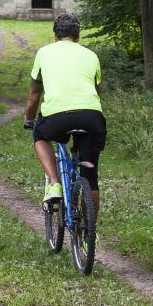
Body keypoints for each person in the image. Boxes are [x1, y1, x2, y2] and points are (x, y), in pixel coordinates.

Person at [24, 12, 106, 217]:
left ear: (55, 35)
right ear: (78, 35)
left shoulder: (44, 53)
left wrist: (29, 120)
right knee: (90, 176)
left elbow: (34, 95)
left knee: (40, 136)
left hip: (56, 117)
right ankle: (90, 234)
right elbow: (96, 91)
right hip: (92, 116)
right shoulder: (91, 55)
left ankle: (54, 184)